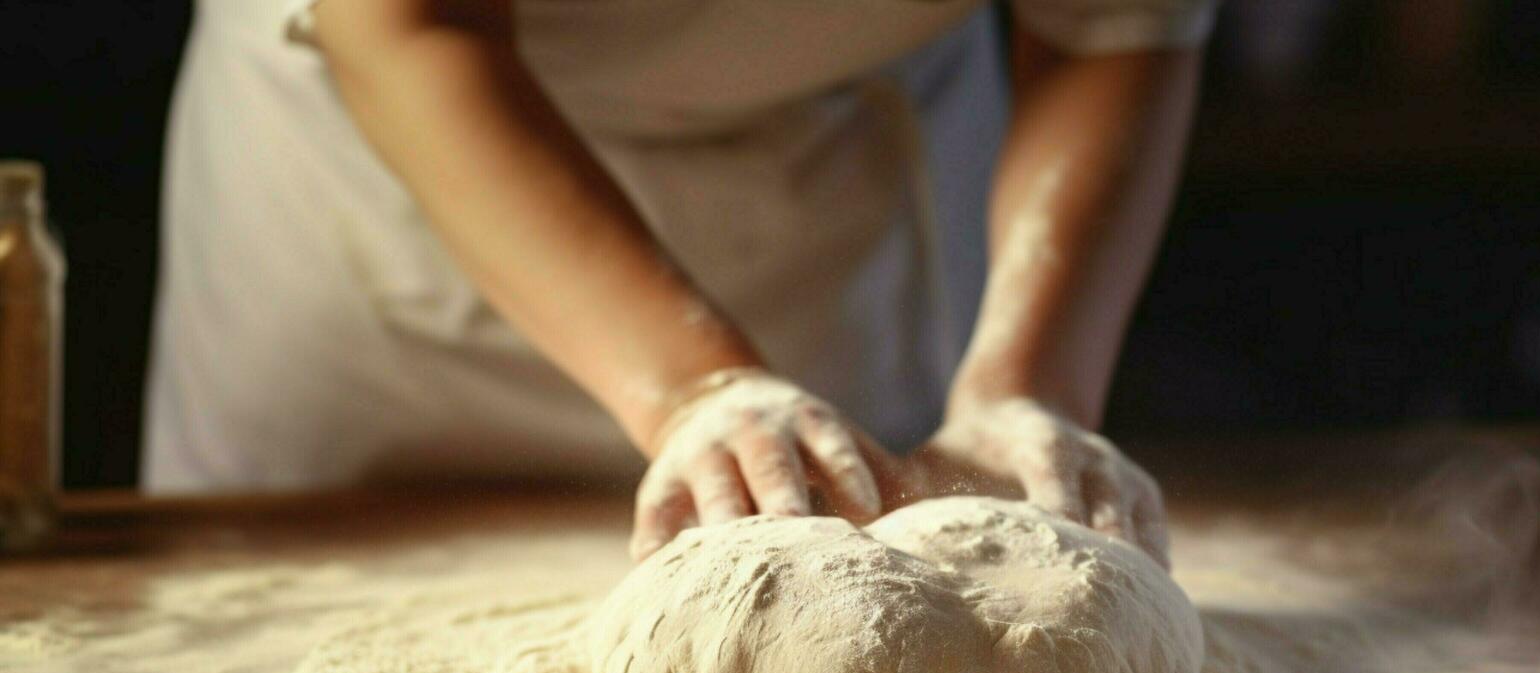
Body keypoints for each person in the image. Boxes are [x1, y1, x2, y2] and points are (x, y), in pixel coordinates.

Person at [145, 0, 1214, 563]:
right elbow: (411, 25)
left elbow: (1112, 30)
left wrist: (1026, 385)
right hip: (395, 205)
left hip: (837, 185)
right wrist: (696, 388)